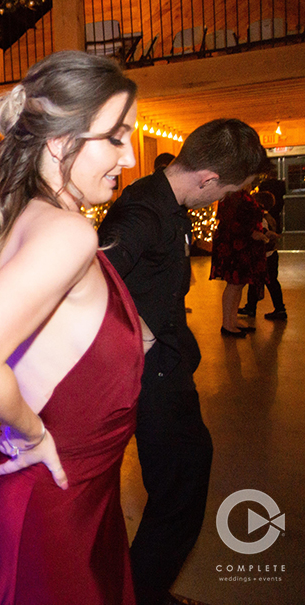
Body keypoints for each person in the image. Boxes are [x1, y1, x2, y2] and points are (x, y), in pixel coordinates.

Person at [0, 51, 146, 605]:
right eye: (116, 137)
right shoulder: (65, 233)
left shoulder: (23, 217)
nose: (128, 156)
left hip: (79, 495)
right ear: (60, 142)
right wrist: (31, 430)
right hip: (56, 502)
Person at [98, 118, 269, 605]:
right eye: (226, 190)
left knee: (185, 477)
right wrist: (142, 336)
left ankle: (141, 590)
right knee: (182, 487)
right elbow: (85, 278)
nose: (220, 200)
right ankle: (141, 595)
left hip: (169, 364)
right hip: (151, 374)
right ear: (209, 179)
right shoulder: (143, 214)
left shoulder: (166, 203)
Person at [210, 186, 269, 336]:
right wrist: (251, 233)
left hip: (243, 245)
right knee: (234, 283)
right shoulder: (232, 194)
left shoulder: (240, 193)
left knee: (239, 283)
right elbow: (230, 222)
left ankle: (232, 320)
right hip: (235, 245)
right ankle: (227, 324)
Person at [240, 191, 286, 320]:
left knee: (259, 282)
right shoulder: (270, 217)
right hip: (271, 255)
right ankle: (254, 306)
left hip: (264, 256)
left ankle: (273, 308)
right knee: (268, 282)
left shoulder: (261, 219)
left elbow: (262, 236)